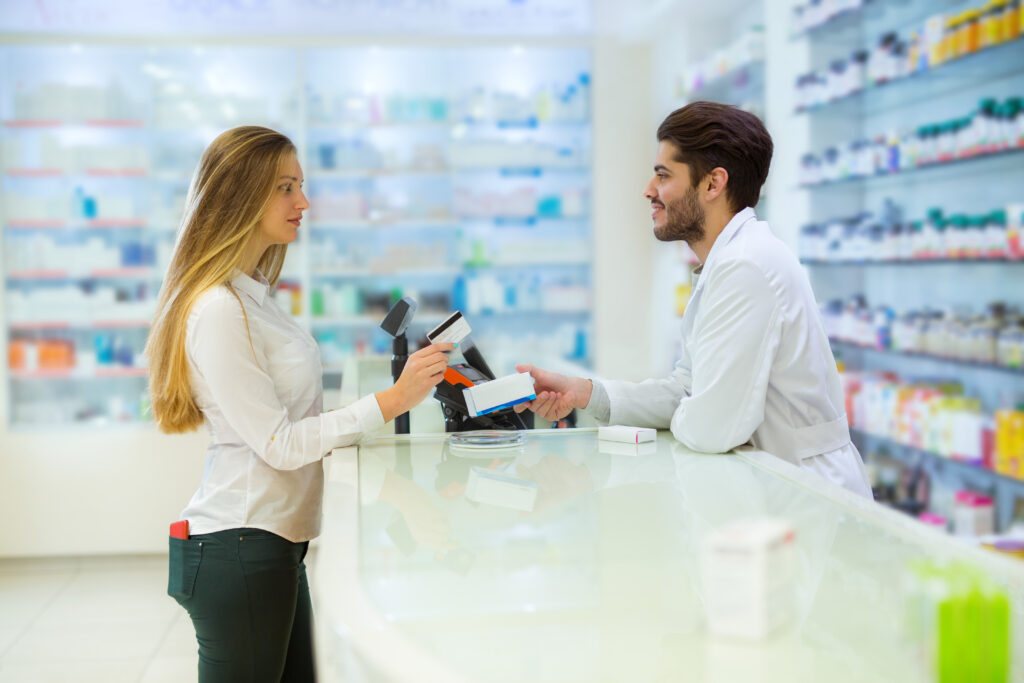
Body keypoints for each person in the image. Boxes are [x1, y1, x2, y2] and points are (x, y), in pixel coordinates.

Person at [145, 126, 453, 682]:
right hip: (238, 546)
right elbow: (280, 444)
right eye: (286, 187)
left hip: (271, 545)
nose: (303, 202)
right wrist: (392, 400)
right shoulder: (218, 308)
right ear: (241, 194)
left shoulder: (252, 296)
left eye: (300, 185)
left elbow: (295, 423)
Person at [516, 102, 871, 498]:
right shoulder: (730, 261)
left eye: (664, 175)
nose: (649, 190)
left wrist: (692, 409)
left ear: (713, 184)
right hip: (775, 488)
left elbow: (711, 427)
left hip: (808, 493)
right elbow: (690, 390)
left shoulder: (746, 266)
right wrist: (583, 392)